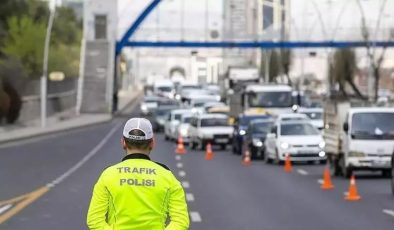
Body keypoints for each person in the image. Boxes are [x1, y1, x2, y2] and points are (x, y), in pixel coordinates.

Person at [87, 118, 190, 230]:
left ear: (123, 143)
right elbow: (181, 221)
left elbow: (94, 220)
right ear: (152, 143)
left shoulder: (108, 175)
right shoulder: (167, 176)